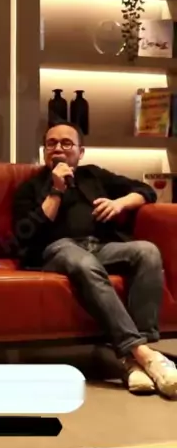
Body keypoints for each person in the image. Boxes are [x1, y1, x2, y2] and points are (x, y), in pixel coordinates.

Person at [12, 122, 177, 399]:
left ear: (80, 152)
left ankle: (134, 360)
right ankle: (146, 355)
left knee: (147, 251)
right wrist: (56, 190)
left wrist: (119, 203)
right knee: (83, 263)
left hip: (101, 246)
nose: (58, 149)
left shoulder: (93, 175)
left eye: (67, 143)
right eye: (51, 143)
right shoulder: (30, 187)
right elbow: (28, 233)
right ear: (44, 151)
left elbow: (144, 190)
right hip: (57, 250)